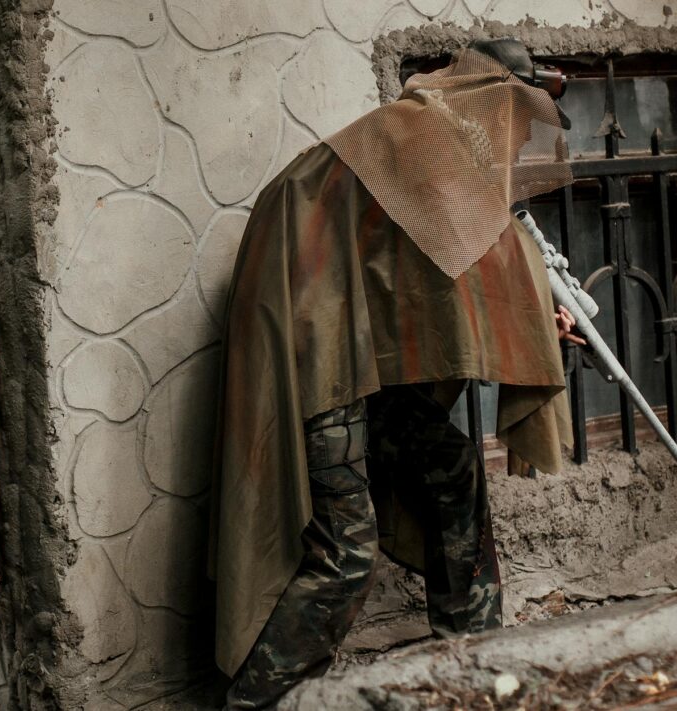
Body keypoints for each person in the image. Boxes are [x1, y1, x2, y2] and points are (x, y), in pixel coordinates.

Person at [209, 38, 582, 708]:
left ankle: (473, 661)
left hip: (359, 351)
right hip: (318, 353)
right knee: (347, 551)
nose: (520, 137)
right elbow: (470, 263)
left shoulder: (443, 144)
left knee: (451, 468)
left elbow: (452, 273)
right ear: (493, 102)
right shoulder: (424, 138)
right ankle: (254, 699)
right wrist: (526, 316)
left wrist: (532, 319)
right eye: (519, 119)